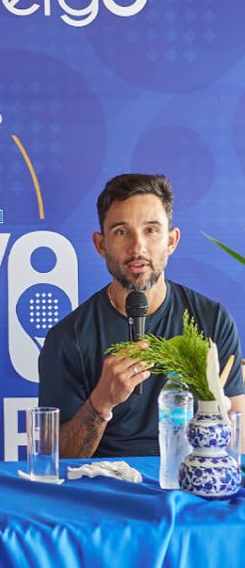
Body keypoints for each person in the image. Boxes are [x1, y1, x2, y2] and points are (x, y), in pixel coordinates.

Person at [38, 173, 245, 458]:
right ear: (101, 245)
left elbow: (238, 439)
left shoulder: (212, 320)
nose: (138, 248)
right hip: (104, 480)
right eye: (121, 232)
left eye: (151, 230)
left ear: (171, 240)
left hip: (191, 473)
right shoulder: (69, 337)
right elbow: (54, 457)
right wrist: (101, 402)